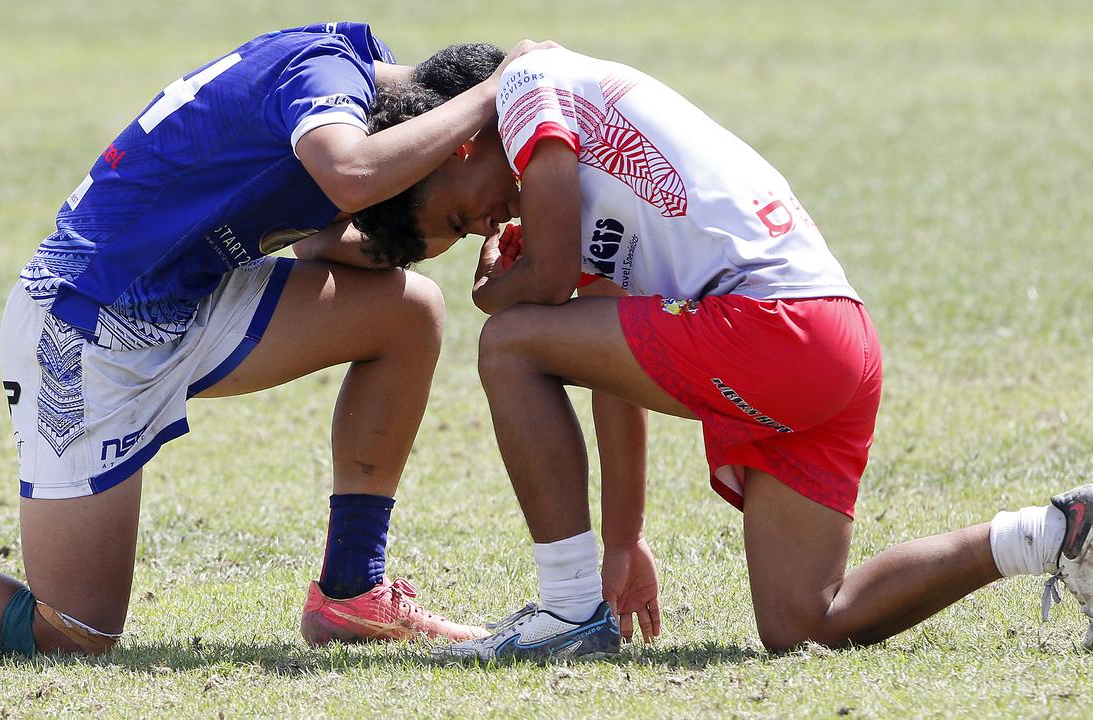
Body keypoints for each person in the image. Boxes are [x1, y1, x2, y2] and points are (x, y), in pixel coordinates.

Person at [0, 24, 551, 655]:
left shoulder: (355, 98)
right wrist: (494, 93)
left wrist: (450, 257)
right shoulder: (326, 75)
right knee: (74, 631)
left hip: (190, 302)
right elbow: (349, 173)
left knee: (408, 311)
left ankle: (351, 591)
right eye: (503, 189)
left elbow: (324, 246)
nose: (500, 214)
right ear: (463, 138)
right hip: (82, 329)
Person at [352, 46, 1093, 661]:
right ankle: (1055, 532)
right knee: (804, 624)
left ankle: (567, 613)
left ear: (459, 142)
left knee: (506, 342)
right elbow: (607, 355)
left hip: (779, 328)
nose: (486, 223)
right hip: (834, 340)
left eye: (460, 211)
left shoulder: (522, 83)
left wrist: (493, 295)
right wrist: (623, 540)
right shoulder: (571, 163)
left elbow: (541, 289)